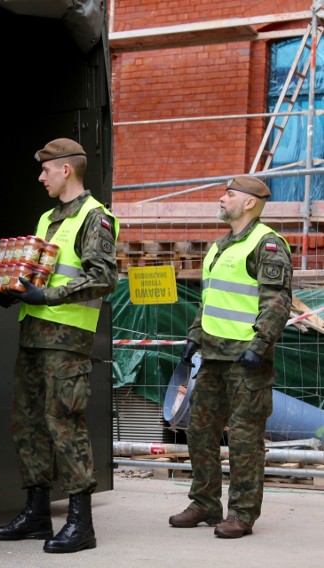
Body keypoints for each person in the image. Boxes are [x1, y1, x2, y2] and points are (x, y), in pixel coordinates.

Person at [0, 138, 118, 554]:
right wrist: (13, 290)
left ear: (66, 169)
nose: (41, 176)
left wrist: (48, 297)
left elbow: (103, 277)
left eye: (46, 169)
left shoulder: (96, 217)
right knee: (28, 423)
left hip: (66, 339)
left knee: (65, 422)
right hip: (34, 334)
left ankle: (81, 522)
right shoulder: (48, 218)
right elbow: (41, 271)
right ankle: (37, 511)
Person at [169, 175, 292, 539]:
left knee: (243, 439)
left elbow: (277, 301)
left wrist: (260, 345)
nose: (222, 199)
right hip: (212, 358)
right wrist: (194, 337)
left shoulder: (267, 245)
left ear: (250, 202)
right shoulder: (220, 246)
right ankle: (205, 503)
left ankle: (242, 513)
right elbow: (209, 301)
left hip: (246, 362)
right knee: (200, 432)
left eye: (230, 194)